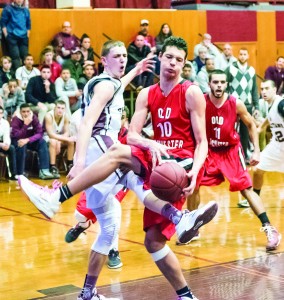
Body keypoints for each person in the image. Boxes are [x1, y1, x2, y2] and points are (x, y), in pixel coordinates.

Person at [18, 38, 218, 300]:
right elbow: (133, 134)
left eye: (179, 60)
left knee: (120, 158)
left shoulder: (190, 92)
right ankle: (185, 290)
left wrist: (197, 171)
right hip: (150, 160)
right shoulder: (144, 93)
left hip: (181, 164)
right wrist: (149, 142)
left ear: (184, 64)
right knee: (152, 241)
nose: (173, 63)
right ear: (161, 58)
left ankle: (56, 198)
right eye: (169, 57)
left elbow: (202, 141)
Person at [186, 70, 281, 251]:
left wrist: (256, 151)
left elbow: (252, 125)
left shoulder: (235, 103)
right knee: (194, 184)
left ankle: (270, 228)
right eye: (215, 82)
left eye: (222, 82)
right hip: (208, 150)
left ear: (227, 84)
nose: (219, 85)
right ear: (209, 83)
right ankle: (190, 227)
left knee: (246, 189)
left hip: (230, 151)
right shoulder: (201, 102)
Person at [65, 107, 130, 270]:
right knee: (81, 213)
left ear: (125, 119)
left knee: (113, 210)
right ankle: (83, 224)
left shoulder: (129, 136)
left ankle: (113, 251)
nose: (119, 119)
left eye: (122, 117)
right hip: (98, 176)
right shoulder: (98, 131)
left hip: (119, 179)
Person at [225, 48, 259, 164]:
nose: (243, 56)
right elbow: (224, 85)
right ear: (237, 55)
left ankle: (243, 159)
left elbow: (254, 90)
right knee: (230, 132)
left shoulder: (252, 71)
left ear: (248, 56)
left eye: (245, 54)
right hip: (233, 105)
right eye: (241, 54)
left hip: (248, 105)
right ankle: (229, 159)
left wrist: (257, 107)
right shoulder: (230, 69)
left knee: (245, 134)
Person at [253, 80, 284, 199]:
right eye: (262, 89)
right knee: (257, 170)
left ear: (274, 90)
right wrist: (260, 127)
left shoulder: (281, 104)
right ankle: (255, 198)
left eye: (267, 89)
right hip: (276, 145)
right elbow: (270, 116)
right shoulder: (269, 105)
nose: (264, 92)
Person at [11, 103, 54, 179]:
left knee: (42, 142)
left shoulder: (33, 117)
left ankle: (44, 170)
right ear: (20, 112)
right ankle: (20, 173)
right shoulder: (15, 119)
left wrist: (28, 139)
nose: (26, 113)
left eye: (28, 111)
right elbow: (17, 135)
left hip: (28, 140)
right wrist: (25, 125)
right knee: (21, 144)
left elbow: (40, 133)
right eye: (23, 112)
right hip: (17, 141)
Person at [43, 100, 75, 178]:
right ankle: (53, 167)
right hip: (47, 137)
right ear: (55, 108)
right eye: (58, 108)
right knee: (53, 142)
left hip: (59, 137)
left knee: (71, 142)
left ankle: (69, 164)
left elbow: (67, 132)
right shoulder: (48, 116)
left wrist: (60, 141)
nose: (60, 110)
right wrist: (59, 140)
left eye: (62, 108)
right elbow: (50, 134)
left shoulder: (66, 116)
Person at [1, 0, 31, 70]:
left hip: (23, 37)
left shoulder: (26, 10)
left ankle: (26, 74)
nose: (19, 0)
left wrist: (27, 36)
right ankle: (18, 75)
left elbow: (28, 24)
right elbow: (3, 24)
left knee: (25, 56)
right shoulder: (7, 9)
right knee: (15, 57)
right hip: (12, 36)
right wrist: (7, 36)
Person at [0, 105, 17, 180]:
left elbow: (7, 136)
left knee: (12, 148)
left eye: (1, 113)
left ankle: (13, 174)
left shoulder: (5, 123)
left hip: (1, 143)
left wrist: (6, 144)